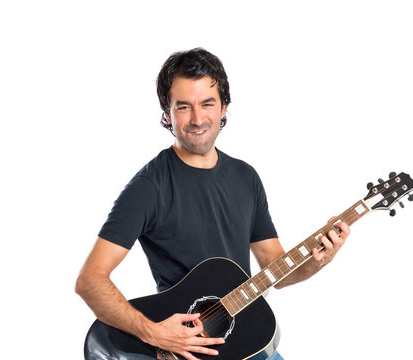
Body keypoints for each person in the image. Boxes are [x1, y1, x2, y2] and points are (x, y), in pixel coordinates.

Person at [75, 48, 350, 360]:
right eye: (183, 107)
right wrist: (155, 333)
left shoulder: (246, 178)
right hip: (185, 351)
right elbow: (90, 281)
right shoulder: (148, 187)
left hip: (247, 341)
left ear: (223, 108)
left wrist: (317, 260)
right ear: (167, 113)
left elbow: (279, 272)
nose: (197, 119)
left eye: (207, 104)